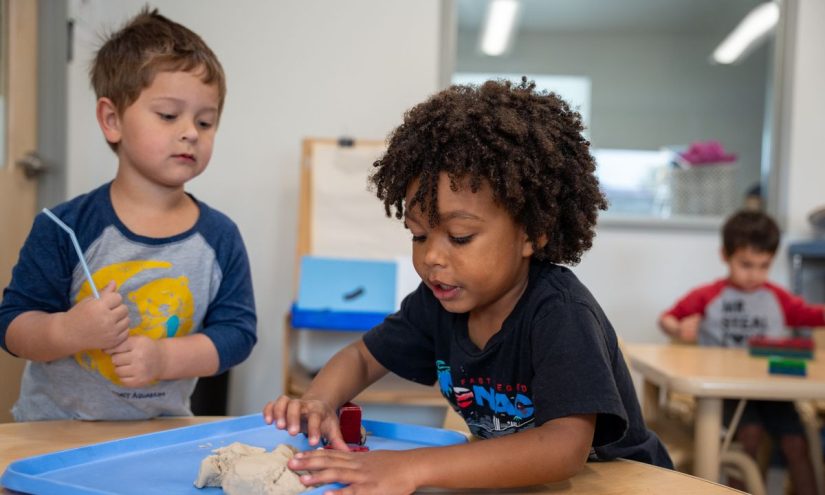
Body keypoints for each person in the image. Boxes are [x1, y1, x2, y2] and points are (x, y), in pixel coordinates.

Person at [264, 79, 672, 494]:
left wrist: (411, 467)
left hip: (625, 484)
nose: (431, 257)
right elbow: (362, 358)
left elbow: (562, 449)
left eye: (459, 237)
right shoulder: (437, 302)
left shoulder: (560, 313)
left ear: (532, 233)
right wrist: (319, 400)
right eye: (419, 235)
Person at [0, 8, 256, 421]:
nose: (191, 132)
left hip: (157, 434)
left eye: (206, 121)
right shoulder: (64, 228)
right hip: (55, 433)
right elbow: (12, 327)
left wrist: (164, 358)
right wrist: (67, 331)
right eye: (169, 115)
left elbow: (237, 335)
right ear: (112, 120)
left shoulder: (220, 236)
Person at [659, 209, 823, 495]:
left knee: (797, 444)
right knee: (749, 436)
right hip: (726, 391)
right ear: (725, 255)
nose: (754, 275)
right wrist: (678, 329)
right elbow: (667, 318)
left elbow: (810, 314)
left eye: (764, 266)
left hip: (772, 389)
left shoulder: (777, 297)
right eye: (746, 264)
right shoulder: (708, 295)